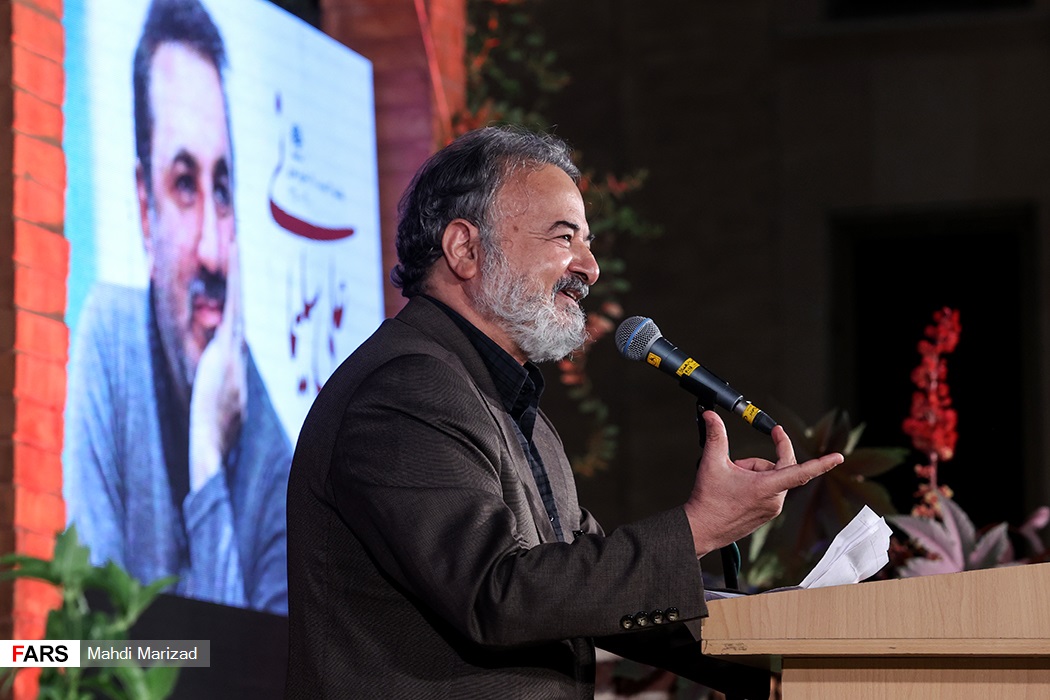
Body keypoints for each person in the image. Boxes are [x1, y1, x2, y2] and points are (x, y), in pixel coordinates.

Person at [285, 126, 842, 697]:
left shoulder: (519, 414)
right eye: (564, 237)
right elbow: (497, 594)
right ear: (465, 249)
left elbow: (582, 590)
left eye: (588, 241)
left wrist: (780, 641)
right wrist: (698, 528)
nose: (590, 267)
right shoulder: (404, 390)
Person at [63, 0, 291, 614]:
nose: (214, 249)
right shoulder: (109, 341)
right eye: (185, 185)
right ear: (145, 211)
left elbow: (249, 663)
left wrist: (207, 458)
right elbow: (89, 642)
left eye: (223, 189)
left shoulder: (271, 450)